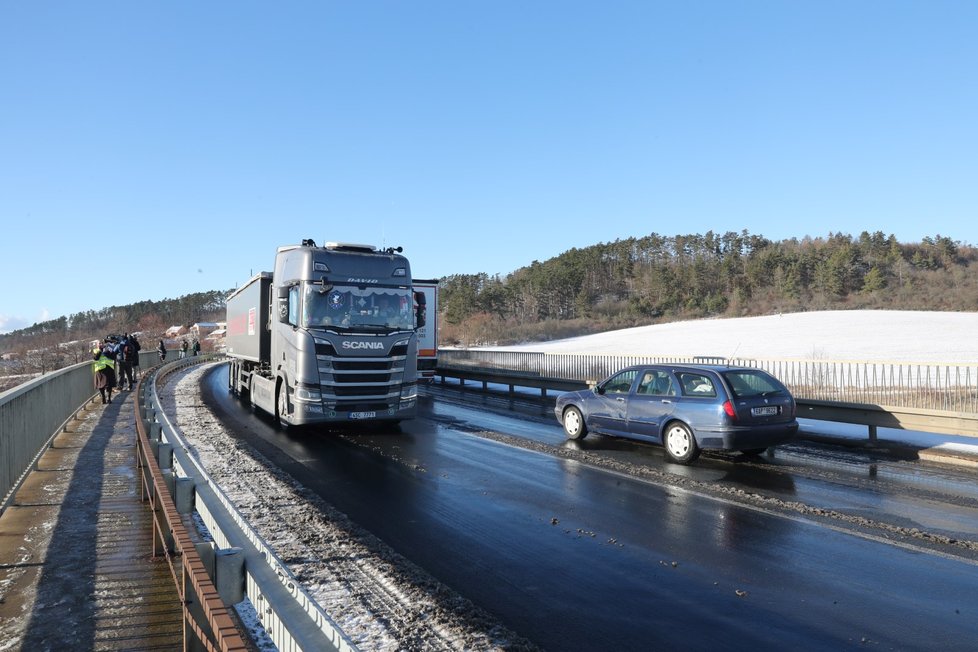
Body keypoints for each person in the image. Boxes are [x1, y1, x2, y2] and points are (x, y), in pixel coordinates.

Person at [92, 339, 117, 404]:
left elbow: (113, 356)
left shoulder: (108, 349)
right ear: (97, 345)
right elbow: (95, 358)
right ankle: (103, 397)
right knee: (101, 385)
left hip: (109, 368)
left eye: (102, 343)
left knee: (109, 384)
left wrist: (107, 353)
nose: (101, 344)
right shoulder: (95, 350)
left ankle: (109, 398)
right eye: (99, 343)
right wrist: (100, 351)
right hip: (100, 369)